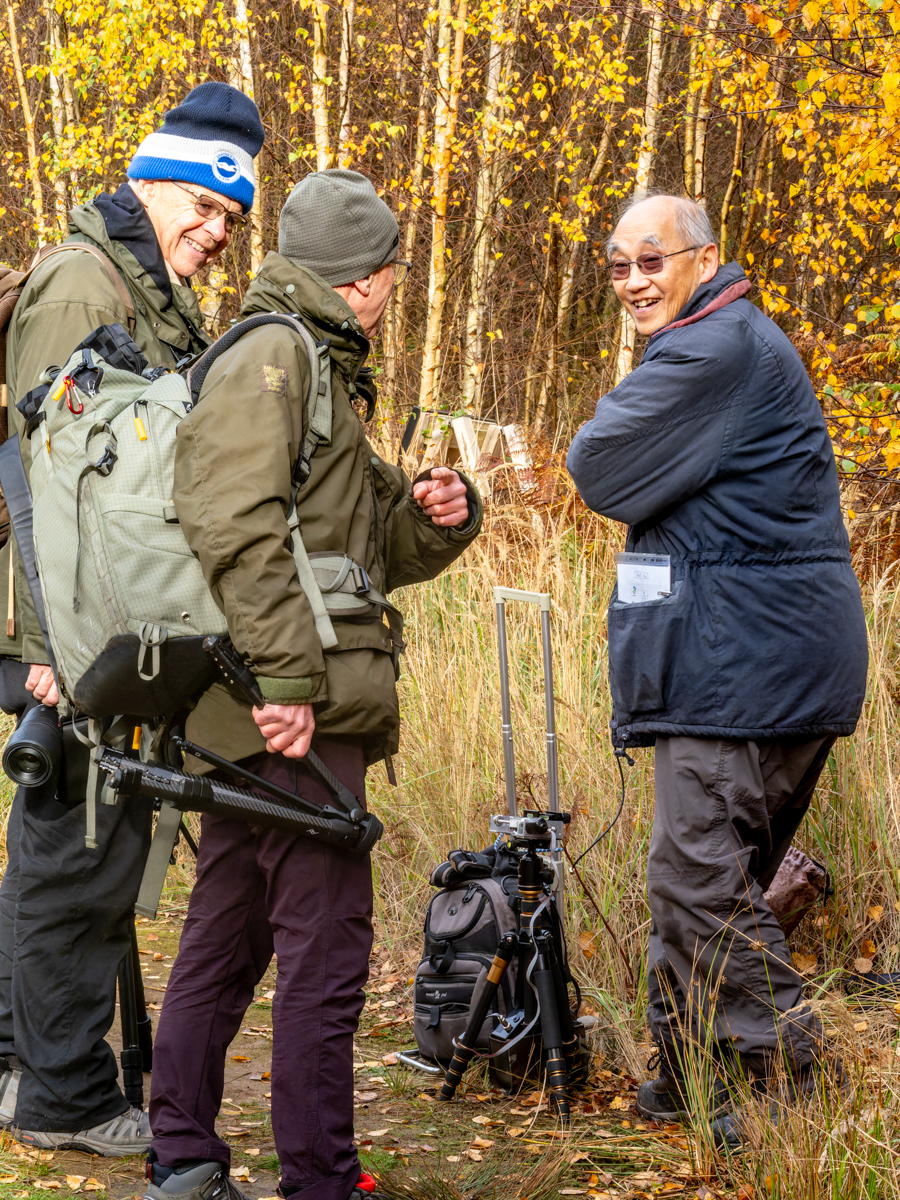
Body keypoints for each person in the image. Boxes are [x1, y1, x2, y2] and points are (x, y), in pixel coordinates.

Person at [141, 169, 482, 1200]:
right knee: (328, 954)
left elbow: (362, 543)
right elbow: (231, 515)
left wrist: (435, 517)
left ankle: (184, 1154)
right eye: (390, 276)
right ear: (367, 280)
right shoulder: (280, 358)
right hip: (291, 704)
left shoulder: (316, 362)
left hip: (269, 695)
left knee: (227, 935)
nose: (390, 292)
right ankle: (320, 1181)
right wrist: (288, 679)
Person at [566, 194, 868, 1145]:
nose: (632, 283)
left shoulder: (714, 350)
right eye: (616, 267)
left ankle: (794, 1075)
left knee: (696, 882)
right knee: (715, 877)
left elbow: (600, 465)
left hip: (740, 667)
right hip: (772, 658)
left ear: (703, 259)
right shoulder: (730, 341)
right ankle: (689, 1081)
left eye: (650, 262)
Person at [0, 82, 264, 1154]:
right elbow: (37, 478)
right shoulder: (82, 285)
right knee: (85, 846)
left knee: (65, 840)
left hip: (94, 624)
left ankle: (23, 1065)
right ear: (152, 179)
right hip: (68, 631)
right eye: (202, 206)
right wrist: (63, 654)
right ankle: (63, 1097)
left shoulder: (150, 291)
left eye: (231, 220)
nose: (214, 234)